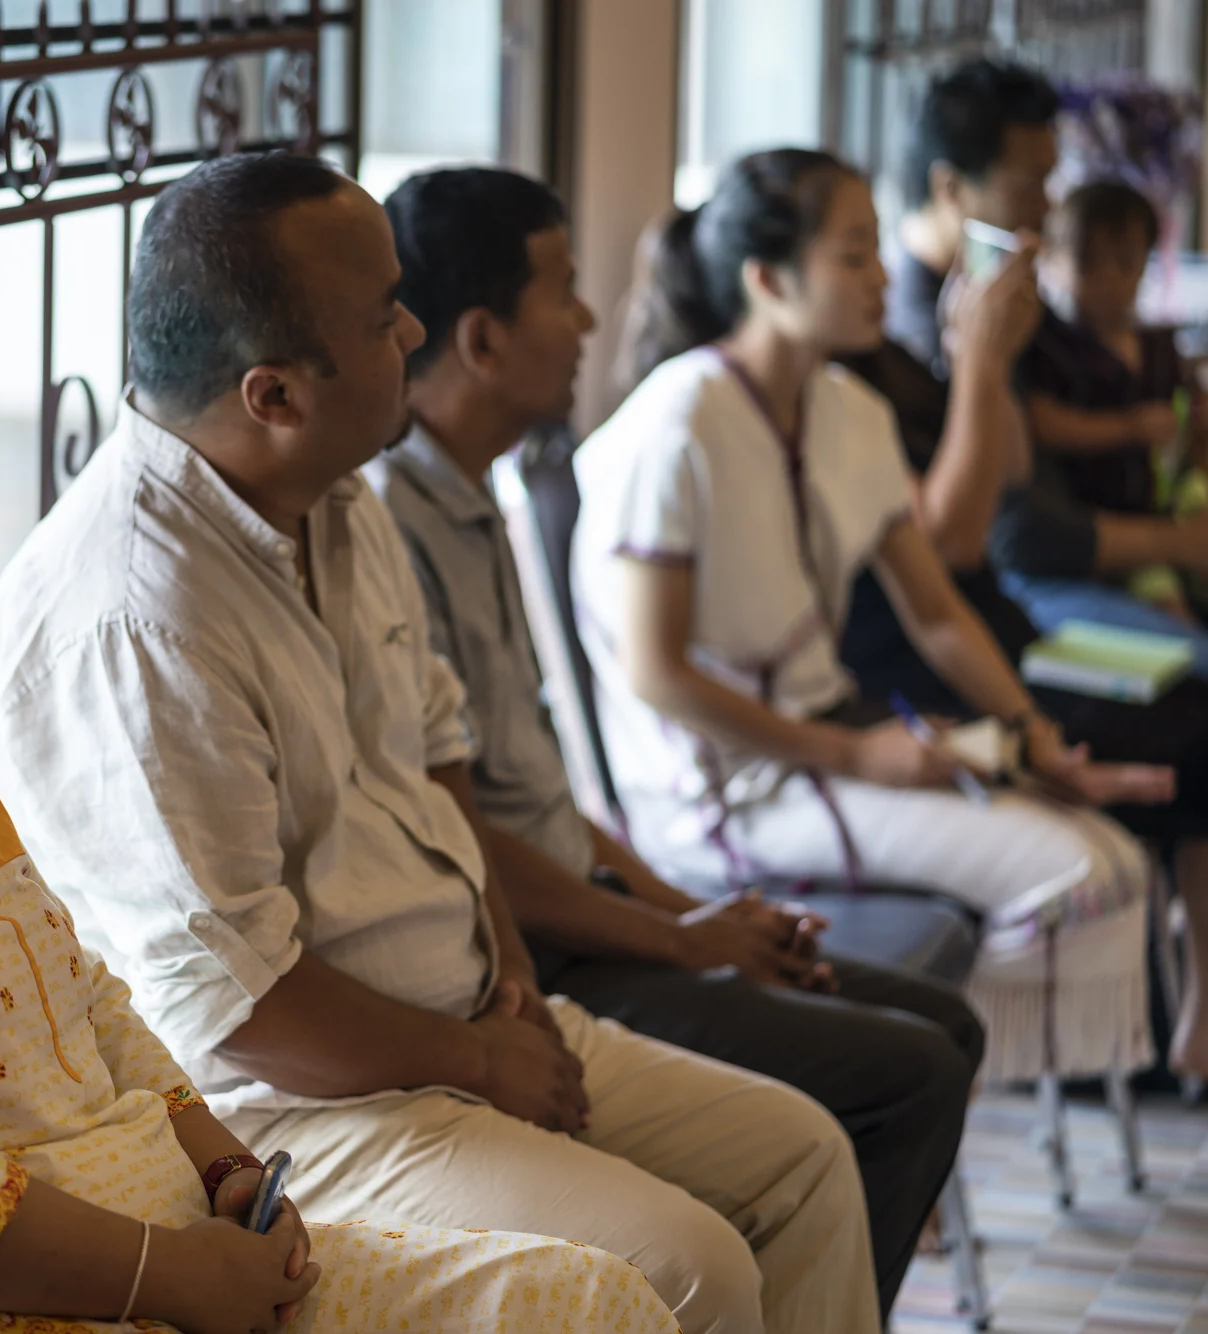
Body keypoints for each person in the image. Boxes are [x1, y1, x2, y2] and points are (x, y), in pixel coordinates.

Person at [0, 307, 681, 1334]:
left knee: (594, 1300)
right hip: (36, 1297)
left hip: (183, 1243)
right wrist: (165, 1275)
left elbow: (87, 993)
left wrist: (228, 1170)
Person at [0, 151, 882, 1334]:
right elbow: (244, 1013)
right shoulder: (135, 619)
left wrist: (512, 989)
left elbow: (437, 754)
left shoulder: (336, 494)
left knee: (802, 1155)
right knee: (688, 1266)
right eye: (382, 315)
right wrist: (479, 1059)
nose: (412, 329)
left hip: (460, 1021)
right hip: (296, 1107)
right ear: (272, 394)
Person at [368, 164, 984, 1318]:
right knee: (905, 1076)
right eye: (561, 290)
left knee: (942, 1022)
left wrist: (695, 916)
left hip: (589, 903)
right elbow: (467, 839)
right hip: (532, 950)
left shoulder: (476, 493)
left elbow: (538, 797)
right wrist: (677, 934)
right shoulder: (390, 525)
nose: (588, 317)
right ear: (482, 339)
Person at [581, 147, 1173, 1092]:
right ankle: (925, 1097)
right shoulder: (677, 423)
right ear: (769, 280)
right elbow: (657, 674)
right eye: (853, 255)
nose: (883, 279)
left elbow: (937, 613)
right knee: (1080, 878)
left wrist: (1034, 739)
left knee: (1115, 855)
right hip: (724, 797)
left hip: (823, 753)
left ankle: (922, 1094)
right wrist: (857, 755)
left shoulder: (848, 410)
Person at [838, 57, 1208, 1104]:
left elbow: (1017, 480)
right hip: (972, 640)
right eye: (1027, 184)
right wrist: (984, 365)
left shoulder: (989, 301)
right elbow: (988, 537)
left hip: (999, 622)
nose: (1045, 208)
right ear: (950, 188)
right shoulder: (895, 332)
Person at [1008, 179, 1208, 684]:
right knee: (1175, 618)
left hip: (1169, 497)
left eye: (1125, 263)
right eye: (1088, 264)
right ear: (1053, 260)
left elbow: (1193, 413)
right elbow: (1043, 422)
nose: (1108, 282)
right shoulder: (1054, 347)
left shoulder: (1158, 346)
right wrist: (1127, 428)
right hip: (1112, 518)